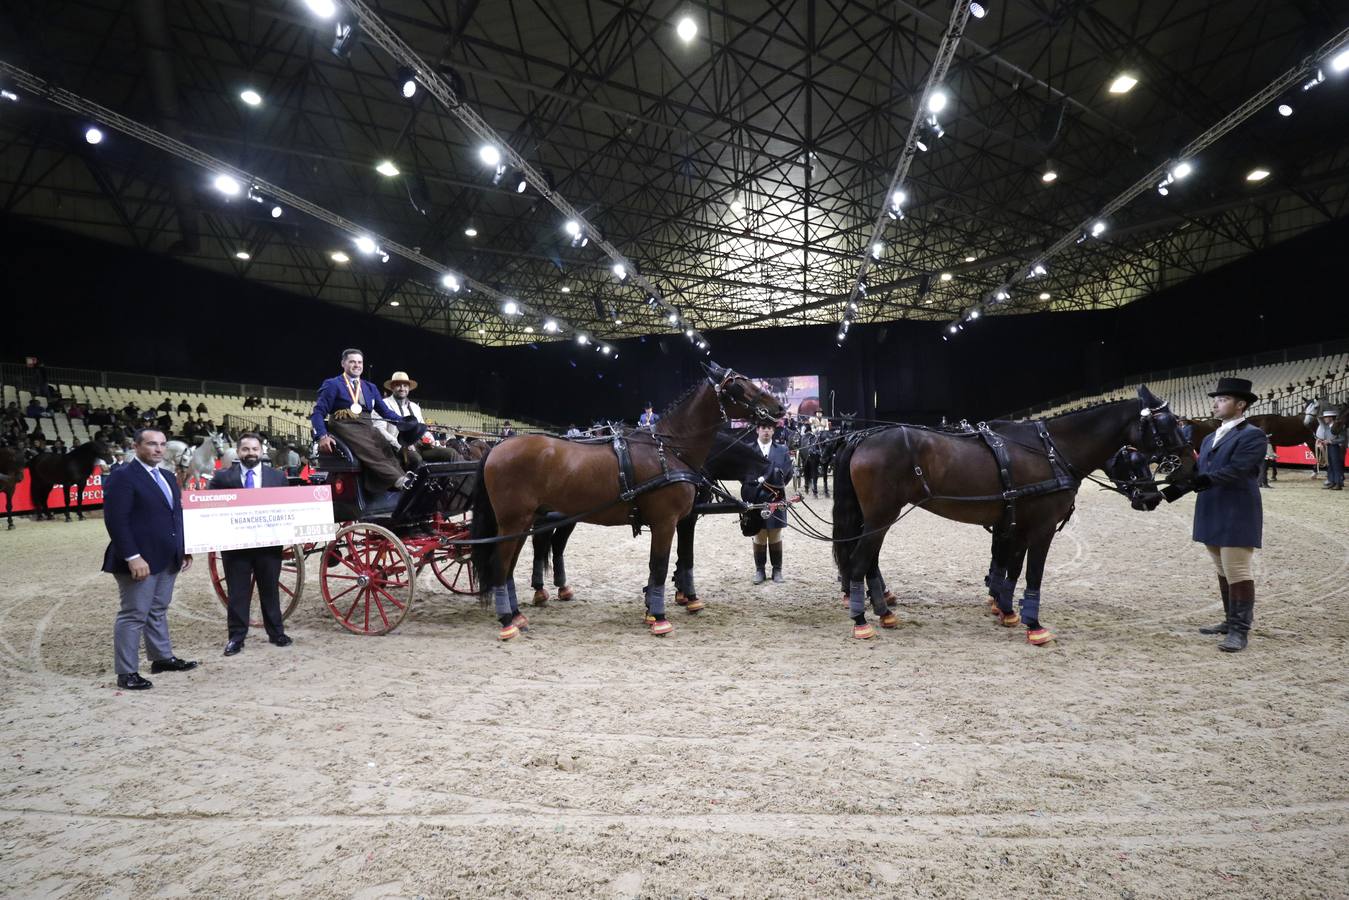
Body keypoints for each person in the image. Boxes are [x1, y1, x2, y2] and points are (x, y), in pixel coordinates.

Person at [101, 428, 197, 690]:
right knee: (133, 614)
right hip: (139, 560)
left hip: (167, 557)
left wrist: (183, 548)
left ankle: (162, 658)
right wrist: (132, 556)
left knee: (157, 610)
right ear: (136, 446)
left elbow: (174, 516)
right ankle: (126, 672)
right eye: (152, 444)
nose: (158, 449)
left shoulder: (166, 476)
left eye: (162, 445)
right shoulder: (122, 476)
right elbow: (116, 521)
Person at [1186, 377, 1266, 653]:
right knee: (1222, 569)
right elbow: (1199, 472)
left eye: (1222, 400)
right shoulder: (1209, 437)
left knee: (1237, 569)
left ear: (1240, 404)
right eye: (1216, 400)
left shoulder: (1252, 435)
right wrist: (1173, 487)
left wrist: (1203, 481)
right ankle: (1229, 620)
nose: (1215, 404)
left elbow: (1238, 469)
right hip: (1211, 505)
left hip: (1237, 507)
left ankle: (1240, 630)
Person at [208, 433, 292, 656]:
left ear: (262, 451)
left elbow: (289, 510)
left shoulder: (277, 477)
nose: (251, 453)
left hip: (269, 546)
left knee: (270, 589)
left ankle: (276, 633)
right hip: (236, 548)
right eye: (245, 449)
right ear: (238, 452)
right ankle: (236, 638)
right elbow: (206, 510)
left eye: (255, 449)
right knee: (237, 592)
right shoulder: (221, 478)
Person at [311, 348, 414, 493]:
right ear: (343, 363)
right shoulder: (332, 384)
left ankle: (398, 479)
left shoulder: (370, 387)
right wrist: (322, 435)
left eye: (359, 362)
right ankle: (400, 481)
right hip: (344, 425)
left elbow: (385, 412)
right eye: (352, 362)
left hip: (366, 425)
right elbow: (317, 412)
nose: (356, 365)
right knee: (369, 448)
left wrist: (406, 422)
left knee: (385, 447)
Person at [744, 423, 794, 584]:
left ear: (773, 431)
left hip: (776, 498)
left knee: (775, 534)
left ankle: (777, 571)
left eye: (769, 428)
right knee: (759, 534)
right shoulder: (749, 450)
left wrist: (775, 490)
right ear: (757, 430)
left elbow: (788, 474)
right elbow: (743, 474)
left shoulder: (782, 450)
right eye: (763, 427)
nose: (766, 431)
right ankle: (760, 571)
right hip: (755, 499)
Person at [375, 371, 424, 447]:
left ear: (409, 388)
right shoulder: (382, 404)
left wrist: (430, 439)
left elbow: (422, 427)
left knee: (448, 453)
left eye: (405, 386)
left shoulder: (415, 407)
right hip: (395, 446)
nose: (402, 388)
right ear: (392, 387)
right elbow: (379, 429)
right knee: (416, 459)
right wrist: (398, 445)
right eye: (398, 385)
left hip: (418, 445)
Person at [1316, 408, 1344, 490]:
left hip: (1335, 447)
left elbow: (1342, 439)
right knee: (1330, 465)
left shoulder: (1338, 427)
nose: (1324, 419)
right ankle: (1332, 481)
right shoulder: (1327, 427)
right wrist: (1321, 440)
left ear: (1331, 418)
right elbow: (1326, 438)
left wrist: (1330, 441)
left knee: (1336, 465)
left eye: (1326, 417)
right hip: (1328, 447)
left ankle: (1338, 483)